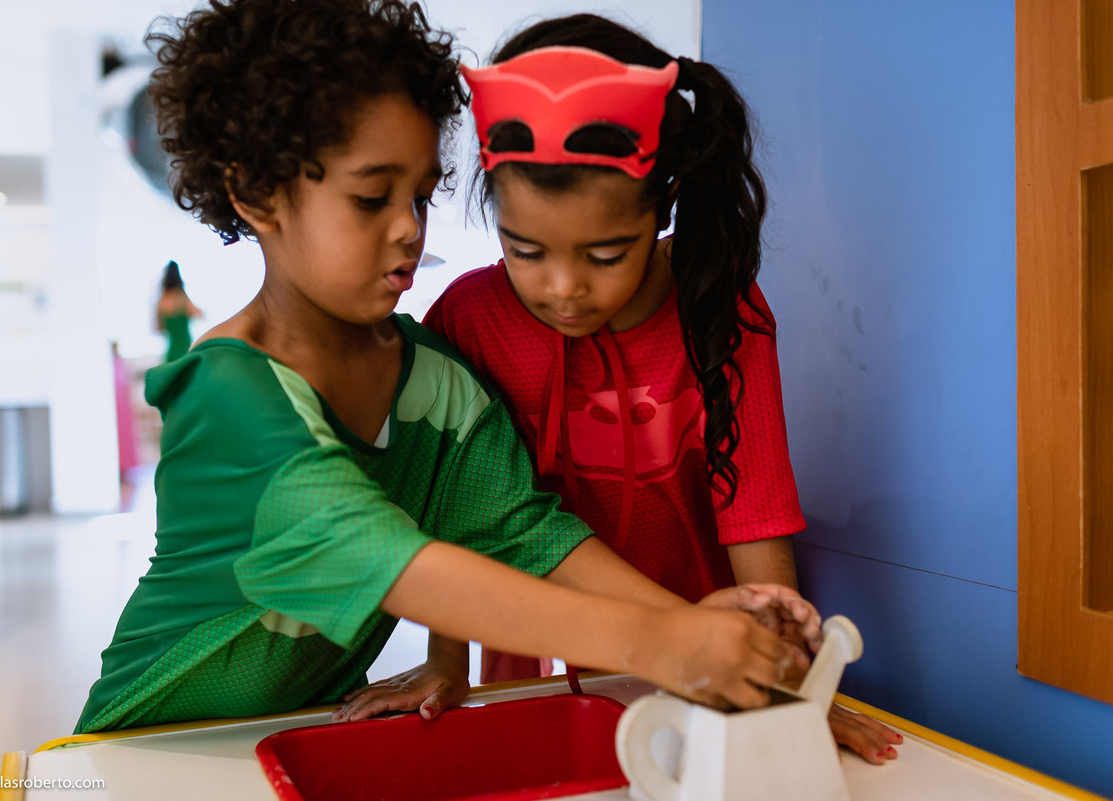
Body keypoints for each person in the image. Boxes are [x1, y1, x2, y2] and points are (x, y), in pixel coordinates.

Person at [76, 0, 822, 734]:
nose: (410, 228)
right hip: (148, 742)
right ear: (255, 194)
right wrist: (663, 642)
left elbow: (528, 532)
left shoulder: (429, 377)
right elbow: (392, 562)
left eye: (422, 195)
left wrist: (717, 638)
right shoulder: (228, 391)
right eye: (372, 198)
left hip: (290, 728)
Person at [415, 15, 903, 763]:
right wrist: (446, 660)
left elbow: (754, 510)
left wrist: (784, 682)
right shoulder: (469, 321)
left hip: (707, 645)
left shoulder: (720, 311)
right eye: (525, 249)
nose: (563, 287)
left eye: (606, 254)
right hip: (541, 660)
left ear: (664, 200)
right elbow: (458, 507)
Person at [156, 260, 202, 362]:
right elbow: (200, 315)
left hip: (171, 350)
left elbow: (159, 328)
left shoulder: (161, 302)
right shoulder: (182, 298)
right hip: (185, 348)